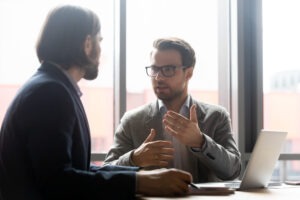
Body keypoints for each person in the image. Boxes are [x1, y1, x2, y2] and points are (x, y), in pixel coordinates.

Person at [0, 5, 193, 200]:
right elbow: (57, 181)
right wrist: (141, 182)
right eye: (99, 40)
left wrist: (141, 176)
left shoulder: (53, 87)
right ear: (87, 44)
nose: (101, 51)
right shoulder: (50, 93)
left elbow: (75, 169)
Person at [104, 37, 242, 183]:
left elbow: (233, 171)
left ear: (188, 73)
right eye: (155, 69)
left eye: (168, 69)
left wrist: (201, 142)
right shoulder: (132, 120)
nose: (158, 77)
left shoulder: (216, 116)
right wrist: (134, 158)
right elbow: (106, 171)